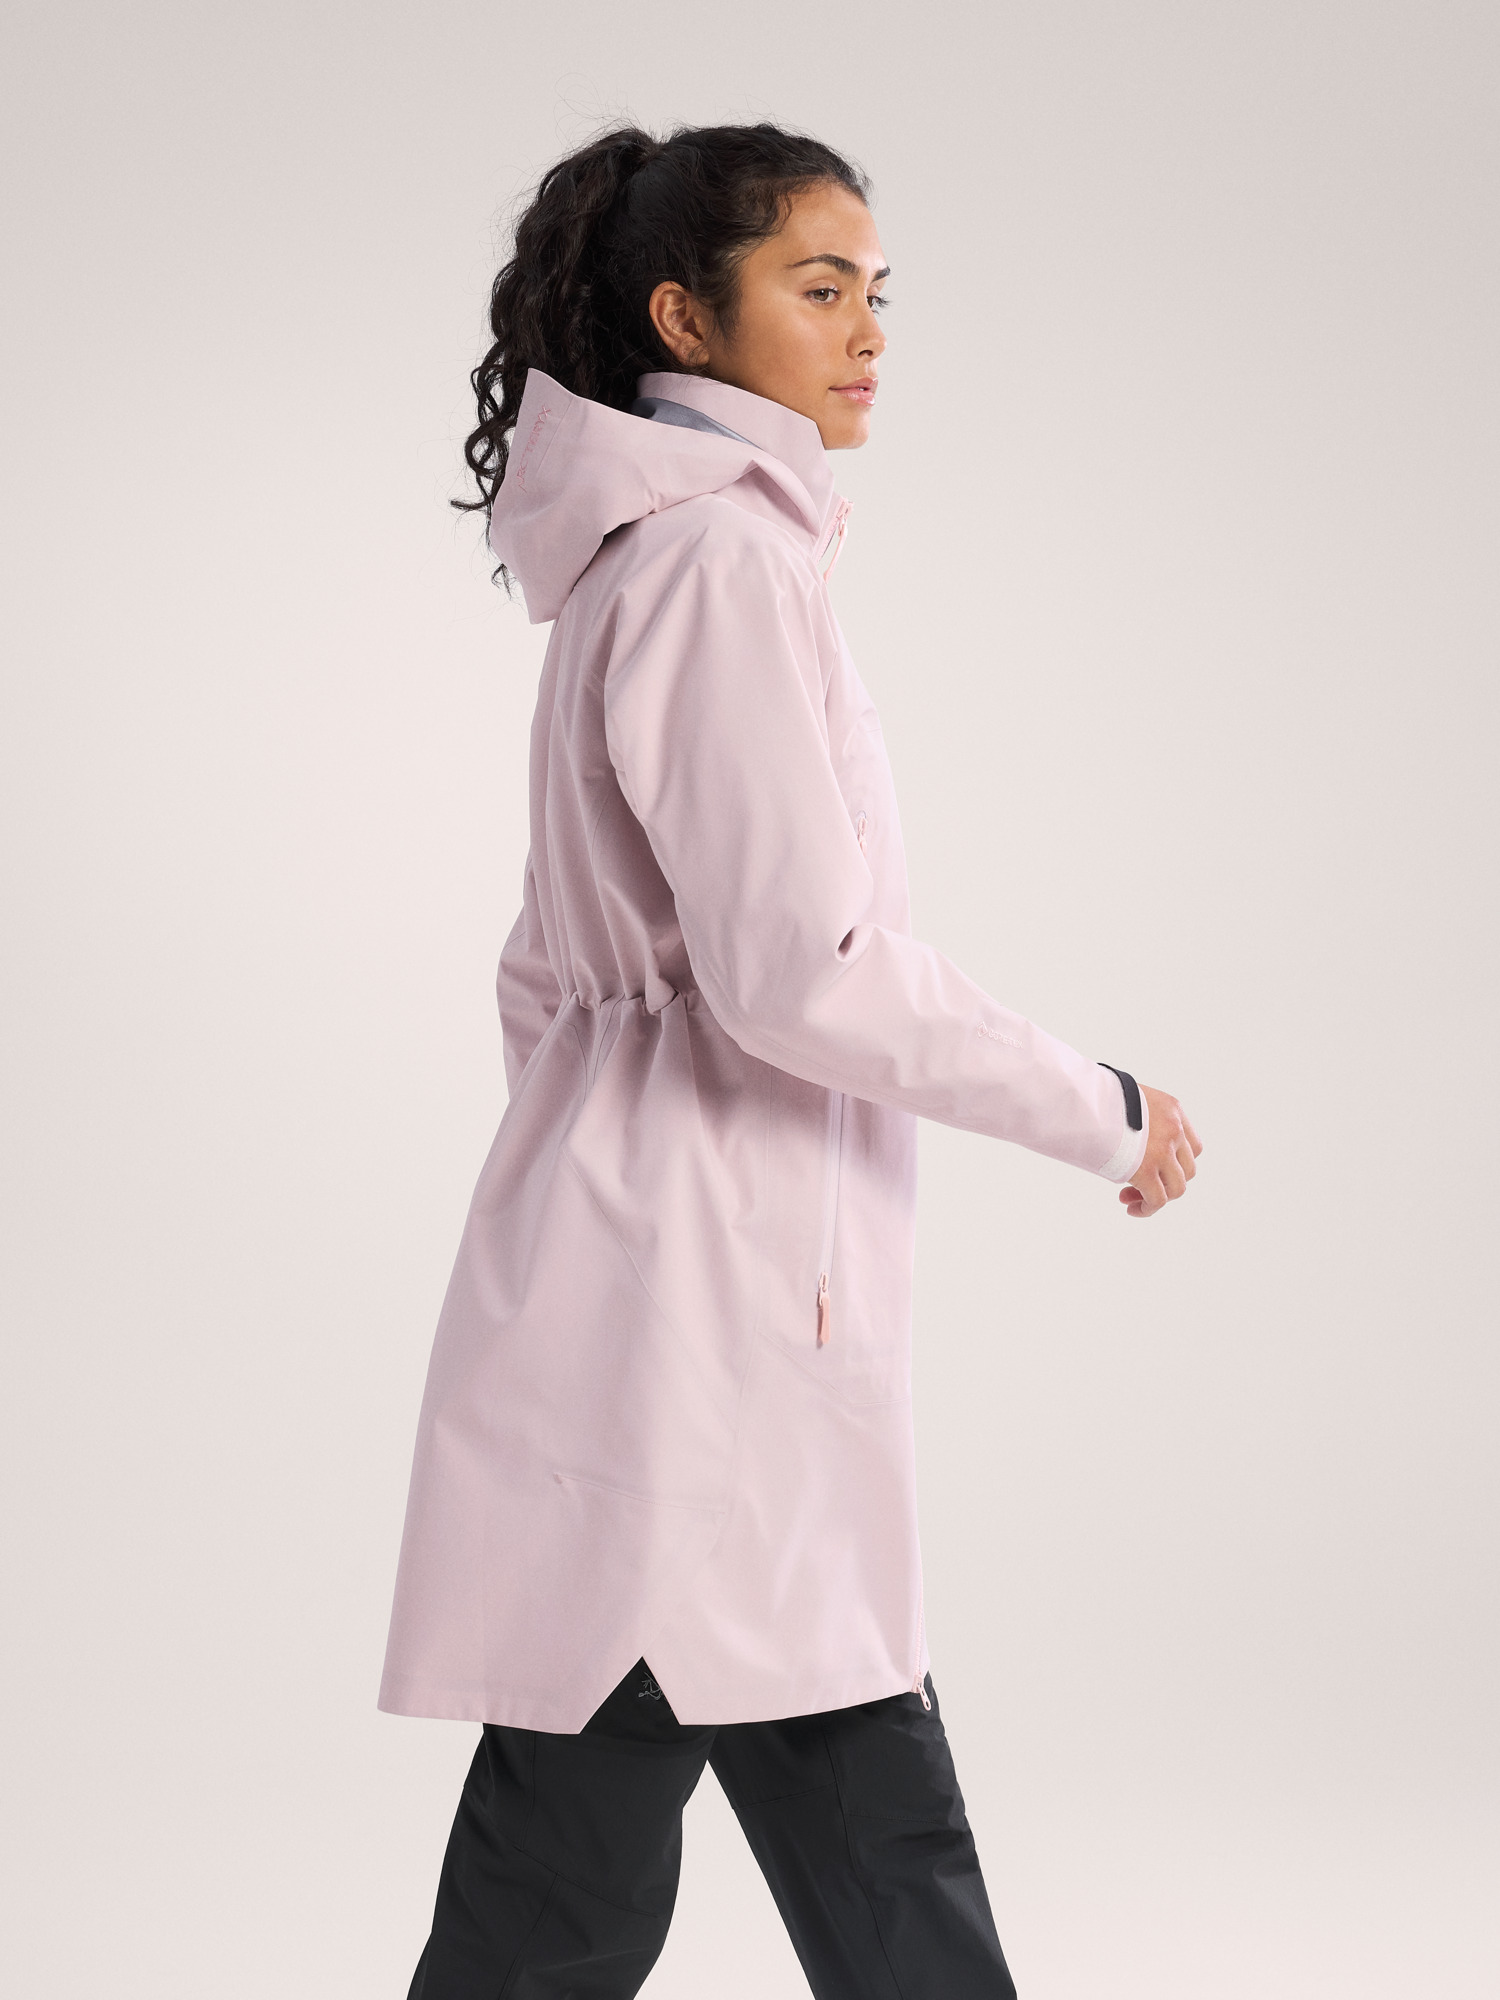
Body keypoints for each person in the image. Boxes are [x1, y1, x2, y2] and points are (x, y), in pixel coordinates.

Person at [380, 121, 1203, 1999]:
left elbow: (542, 973)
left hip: (654, 1274)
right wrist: (1104, 1112)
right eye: (820, 290)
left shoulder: (643, 564)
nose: (869, 333)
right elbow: (802, 974)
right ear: (689, 317)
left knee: (606, 1831)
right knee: (795, 1791)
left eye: (878, 294)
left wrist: (591, 1172)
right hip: (721, 1294)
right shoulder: (719, 566)